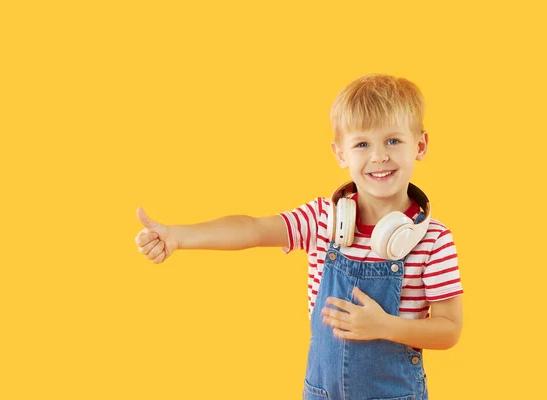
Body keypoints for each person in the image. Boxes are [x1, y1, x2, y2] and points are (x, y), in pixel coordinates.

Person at [135, 73, 463, 400]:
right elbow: (253, 228)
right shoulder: (323, 219)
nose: (378, 156)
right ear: (340, 154)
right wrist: (178, 236)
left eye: (393, 140)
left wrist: (384, 327)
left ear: (420, 145)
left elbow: (449, 329)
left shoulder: (432, 239)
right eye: (362, 143)